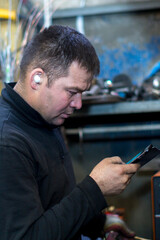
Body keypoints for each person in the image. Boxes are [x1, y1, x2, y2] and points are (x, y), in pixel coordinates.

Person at [0, 25, 140, 240]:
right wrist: (95, 189)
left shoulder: (45, 118)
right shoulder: (8, 144)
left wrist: (98, 223)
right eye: (72, 92)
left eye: (82, 93)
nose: (78, 104)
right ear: (37, 79)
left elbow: (52, 203)